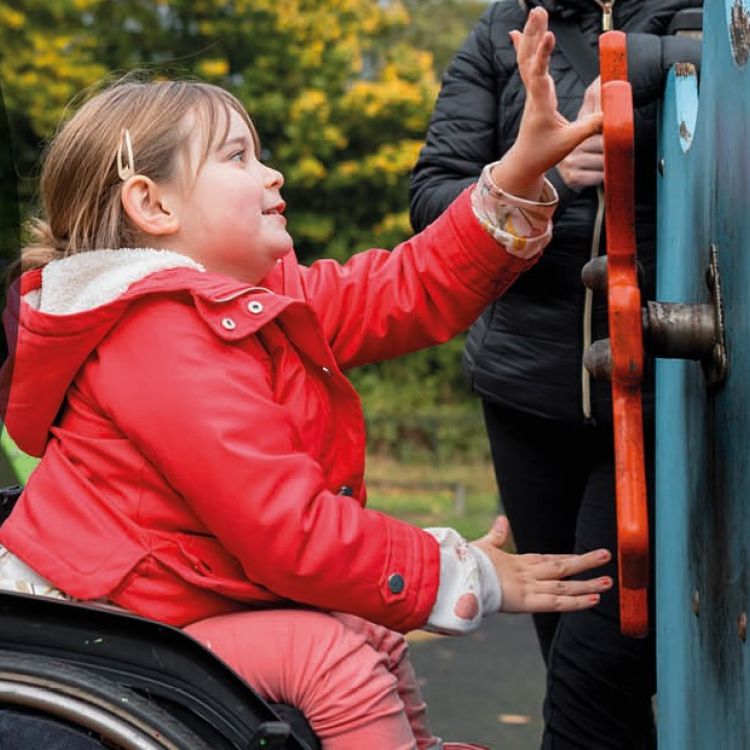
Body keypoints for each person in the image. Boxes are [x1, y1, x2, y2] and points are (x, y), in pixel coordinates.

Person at [0, 10, 609, 750]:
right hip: (116, 628)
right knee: (332, 662)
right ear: (153, 206)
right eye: (238, 158)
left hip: (178, 599)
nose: (272, 173)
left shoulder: (252, 304)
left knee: (367, 630)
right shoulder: (155, 338)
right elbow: (288, 532)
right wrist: (466, 572)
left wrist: (516, 175)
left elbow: (401, 289)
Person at [410, 1, 702, 748]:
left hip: (672, 386)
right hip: (526, 395)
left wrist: (633, 75)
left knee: (596, 667)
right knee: (574, 661)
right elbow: (432, 199)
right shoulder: (502, 29)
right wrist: (533, 172)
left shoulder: (701, 11)